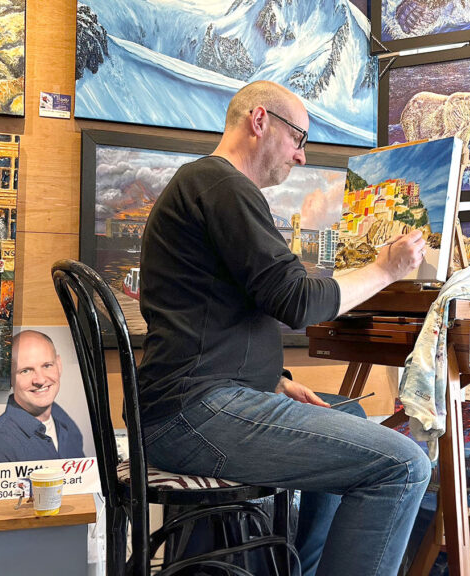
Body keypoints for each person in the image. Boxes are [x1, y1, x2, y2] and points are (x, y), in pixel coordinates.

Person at [137, 80, 431, 576]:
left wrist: (271, 382)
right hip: (191, 414)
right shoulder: (222, 186)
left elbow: (206, 319)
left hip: (189, 402)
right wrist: (386, 269)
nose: (299, 157)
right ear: (259, 121)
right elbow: (296, 300)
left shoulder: (207, 188)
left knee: (352, 413)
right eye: (298, 139)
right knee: (404, 466)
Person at [0, 330, 85, 465]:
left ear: (59, 365)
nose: (39, 380)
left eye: (47, 365)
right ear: (8, 377)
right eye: (25, 371)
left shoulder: (66, 423)